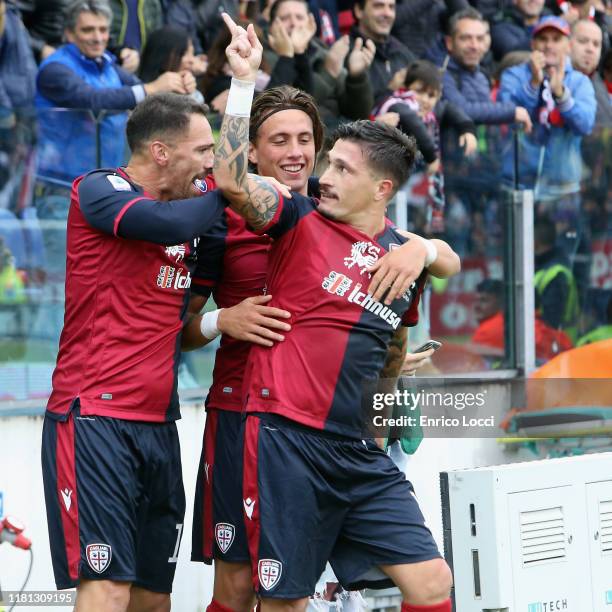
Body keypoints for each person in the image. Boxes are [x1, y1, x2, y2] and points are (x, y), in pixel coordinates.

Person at [213, 14, 454, 611]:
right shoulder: (296, 219)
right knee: (281, 601)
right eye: (330, 162)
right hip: (286, 442)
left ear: (382, 189)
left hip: (358, 453)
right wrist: (243, 83)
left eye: (342, 168)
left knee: (433, 583)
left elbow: (401, 332)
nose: (323, 174)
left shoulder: (403, 256)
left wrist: (424, 248)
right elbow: (228, 178)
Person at [40, 92, 291, 612]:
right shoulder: (99, 190)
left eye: (211, 153)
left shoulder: (198, 211)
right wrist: (227, 187)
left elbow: (189, 319)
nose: (208, 164)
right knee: (106, 587)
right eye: (201, 151)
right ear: (159, 152)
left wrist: (243, 85)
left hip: (159, 424)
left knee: (153, 599)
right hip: (94, 419)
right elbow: (172, 224)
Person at [372, 59, 477, 234]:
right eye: (419, 91)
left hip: (416, 185)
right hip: (387, 182)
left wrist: (467, 129)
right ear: (406, 87)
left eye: (432, 95)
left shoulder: (432, 113)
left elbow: (452, 110)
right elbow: (414, 125)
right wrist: (432, 157)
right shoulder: (397, 104)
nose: (425, 100)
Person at [441, 7, 533, 130]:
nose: (474, 46)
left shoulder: (482, 76)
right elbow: (461, 110)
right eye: (466, 38)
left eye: (480, 39)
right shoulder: (440, 75)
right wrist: (511, 112)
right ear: (449, 43)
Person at [349, 0, 415, 104]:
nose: (387, 13)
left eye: (391, 7)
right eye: (378, 6)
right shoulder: (345, 53)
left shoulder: (403, 52)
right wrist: (390, 91)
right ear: (358, 11)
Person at [138, 25, 206, 103]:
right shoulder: (141, 90)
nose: (192, 60)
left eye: (192, 53)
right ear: (162, 57)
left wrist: (191, 91)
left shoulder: (187, 81)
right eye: (184, 54)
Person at [570, 19, 612, 128]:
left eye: (596, 44)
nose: (590, 49)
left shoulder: (600, 85)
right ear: (567, 43)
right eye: (583, 41)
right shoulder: (549, 79)